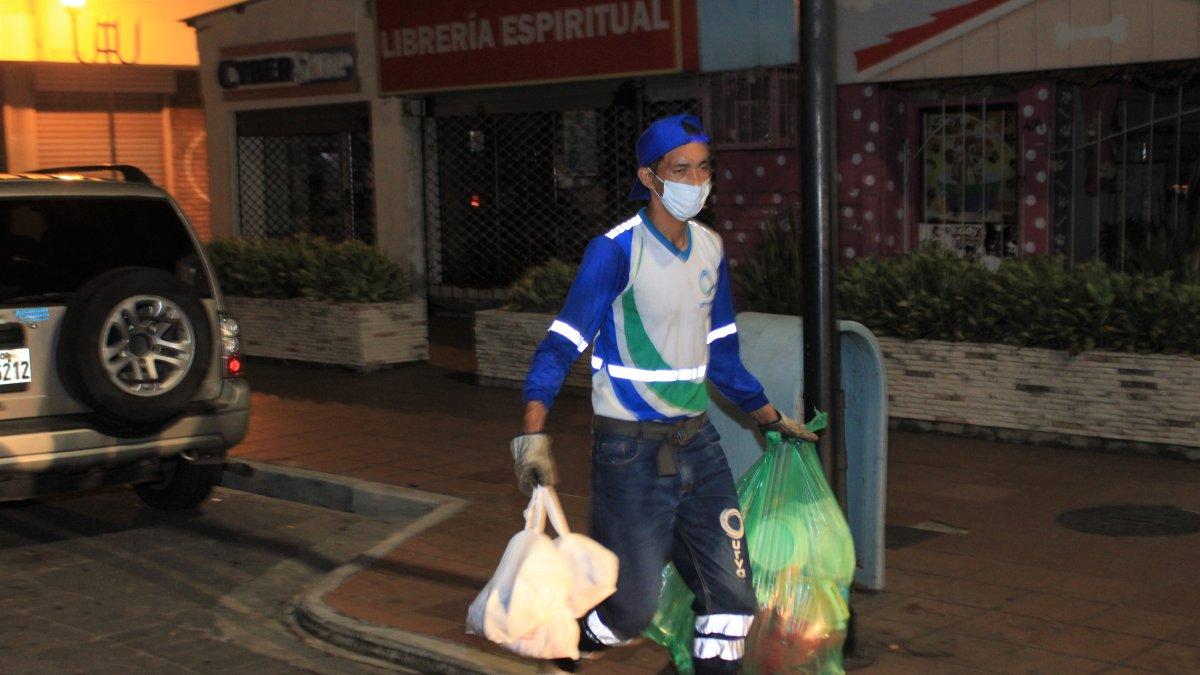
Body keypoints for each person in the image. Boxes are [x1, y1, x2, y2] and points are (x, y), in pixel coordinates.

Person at [510, 114, 818, 674]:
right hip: (629, 453)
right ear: (649, 178)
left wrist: (771, 418)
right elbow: (560, 345)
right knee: (631, 610)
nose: (696, 182)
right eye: (681, 170)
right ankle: (568, 645)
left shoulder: (711, 249)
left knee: (732, 604)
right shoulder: (614, 251)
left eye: (703, 169)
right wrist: (532, 434)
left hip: (700, 444)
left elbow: (723, 356)